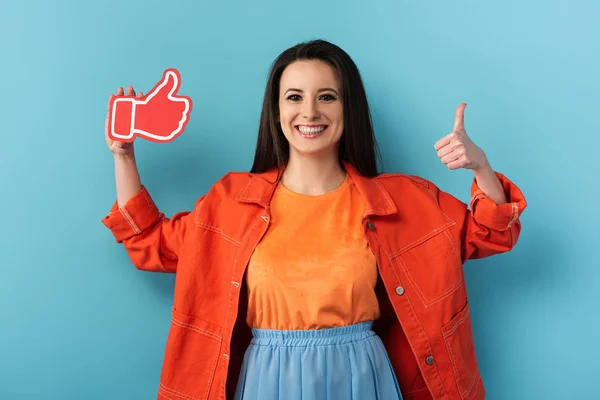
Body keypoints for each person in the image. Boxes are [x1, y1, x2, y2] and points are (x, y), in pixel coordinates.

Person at [102, 39, 527, 400]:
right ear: (276, 110)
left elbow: (491, 232)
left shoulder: (403, 200)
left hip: (362, 375)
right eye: (294, 97)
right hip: (268, 378)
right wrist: (123, 156)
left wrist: (480, 167)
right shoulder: (230, 203)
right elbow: (150, 242)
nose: (310, 112)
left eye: (327, 96)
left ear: (348, 107)